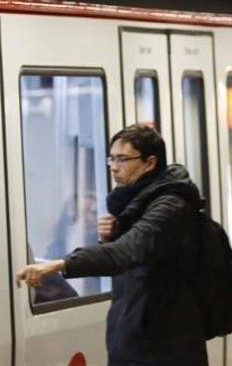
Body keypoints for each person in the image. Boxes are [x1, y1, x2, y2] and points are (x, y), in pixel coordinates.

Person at [16, 124, 207, 365]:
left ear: (149, 163)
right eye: (112, 159)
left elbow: (126, 252)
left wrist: (58, 265)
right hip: (138, 341)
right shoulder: (136, 205)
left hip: (164, 348)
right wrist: (117, 232)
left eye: (123, 159)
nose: (114, 168)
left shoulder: (170, 207)